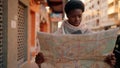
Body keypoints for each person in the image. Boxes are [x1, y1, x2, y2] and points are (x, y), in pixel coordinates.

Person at [35, 0, 116, 68]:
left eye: (79, 16)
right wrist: (40, 62)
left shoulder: (91, 35)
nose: (77, 19)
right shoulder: (57, 36)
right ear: (67, 16)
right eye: (73, 16)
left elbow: (99, 58)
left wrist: (108, 61)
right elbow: (49, 62)